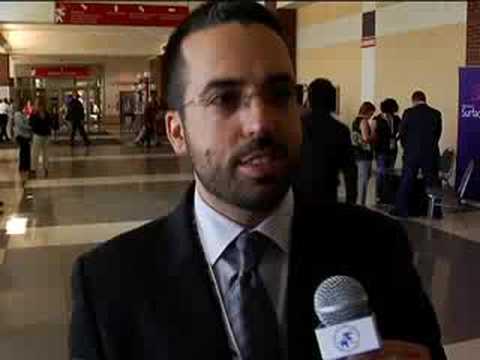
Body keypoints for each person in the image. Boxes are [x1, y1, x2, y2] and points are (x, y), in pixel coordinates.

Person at [69, 2, 446, 360]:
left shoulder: (376, 247)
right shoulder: (109, 285)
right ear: (176, 131)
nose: (261, 123)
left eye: (280, 94)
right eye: (224, 99)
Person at [298, 78, 357, 204]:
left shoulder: (296, 127)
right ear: (332, 100)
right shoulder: (340, 130)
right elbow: (350, 171)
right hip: (327, 196)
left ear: (310, 99)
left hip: (298, 197)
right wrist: (351, 203)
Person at [392, 90, 442, 218]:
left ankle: (402, 210)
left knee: (406, 181)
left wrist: (406, 147)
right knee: (432, 182)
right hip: (430, 153)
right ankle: (435, 212)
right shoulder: (436, 113)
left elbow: (402, 133)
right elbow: (437, 134)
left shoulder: (409, 113)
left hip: (412, 153)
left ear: (413, 100)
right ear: (425, 99)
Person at [374, 98, 401, 203]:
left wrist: (396, 139)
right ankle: (379, 195)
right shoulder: (378, 119)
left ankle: (388, 195)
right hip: (381, 149)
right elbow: (375, 134)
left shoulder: (397, 118)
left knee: (390, 173)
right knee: (381, 173)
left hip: (392, 149)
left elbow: (400, 131)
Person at [352, 101, 377, 206]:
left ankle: (359, 203)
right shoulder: (363, 121)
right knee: (363, 181)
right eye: (371, 113)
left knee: (361, 180)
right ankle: (360, 204)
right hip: (364, 155)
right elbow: (366, 138)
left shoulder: (355, 120)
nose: (372, 115)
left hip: (357, 153)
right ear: (368, 111)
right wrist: (374, 133)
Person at [30, 98, 53, 177]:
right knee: (35, 153)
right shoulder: (35, 114)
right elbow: (32, 124)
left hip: (45, 135)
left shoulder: (46, 113)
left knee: (45, 153)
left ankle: (45, 168)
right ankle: (33, 168)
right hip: (38, 135)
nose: (39, 107)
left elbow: (50, 123)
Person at [13, 101, 32, 179]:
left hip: (25, 135)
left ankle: (26, 166)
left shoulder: (23, 114)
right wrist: (30, 127)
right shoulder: (17, 114)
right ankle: (22, 166)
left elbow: (27, 122)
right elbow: (21, 125)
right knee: (23, 151)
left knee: (26, 151)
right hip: (21, 135)